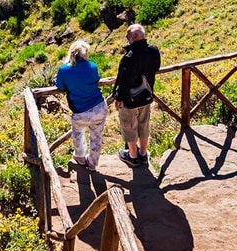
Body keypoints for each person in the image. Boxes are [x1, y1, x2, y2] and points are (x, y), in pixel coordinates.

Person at [112, 24, 162, 167]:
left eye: (127, 36)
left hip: (130, 100)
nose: (126, 39)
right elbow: (156, 67)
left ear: (133, 38)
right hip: (146, 96)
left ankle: (133, 156)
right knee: (144, 125)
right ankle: (143, 154)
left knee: (129, 127)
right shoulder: (153, 50)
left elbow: (123, 81)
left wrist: (118, 98)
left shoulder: (130, 57)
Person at [55, 40, 107, 171]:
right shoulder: (92, 66)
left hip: (80, 110)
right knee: (97, 136)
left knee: (77, 133)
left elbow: (60, 86)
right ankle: (93, 163)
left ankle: (80, 157)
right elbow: (96, 79)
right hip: (99, 107)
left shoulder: (64, 70)